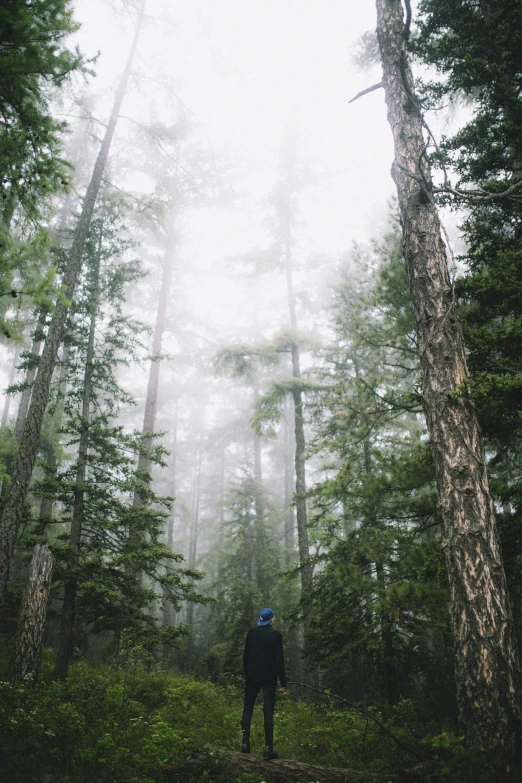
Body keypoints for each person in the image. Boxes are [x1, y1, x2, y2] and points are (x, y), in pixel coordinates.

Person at [241, 607, 286, 760]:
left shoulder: (251, 633)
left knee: (247, 708)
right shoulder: (276, 635)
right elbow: (279, 661)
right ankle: (268, 748)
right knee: (268, 709)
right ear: (271, 619)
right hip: (269, 678)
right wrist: (283, 682)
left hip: (252, 677)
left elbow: (245, 656)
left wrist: (248, 676)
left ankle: (245, 744)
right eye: (274, 617)